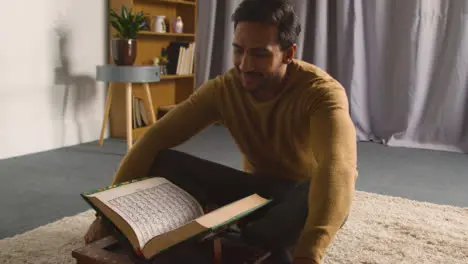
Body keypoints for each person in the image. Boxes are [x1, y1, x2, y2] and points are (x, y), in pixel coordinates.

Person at [84, 0, 358, 263]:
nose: (245, 65)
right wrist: (105, 218)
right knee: (161, 160)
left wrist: (308, 255)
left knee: (331, 189)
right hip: (251, 196)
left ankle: (237, 236)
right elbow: (156, 137)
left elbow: (338, 168)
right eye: (239, 50)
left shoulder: (322, 94)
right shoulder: (225, 88)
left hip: (297, 199)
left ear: (288, 54)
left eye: (260, 54)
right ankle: (235, 236)